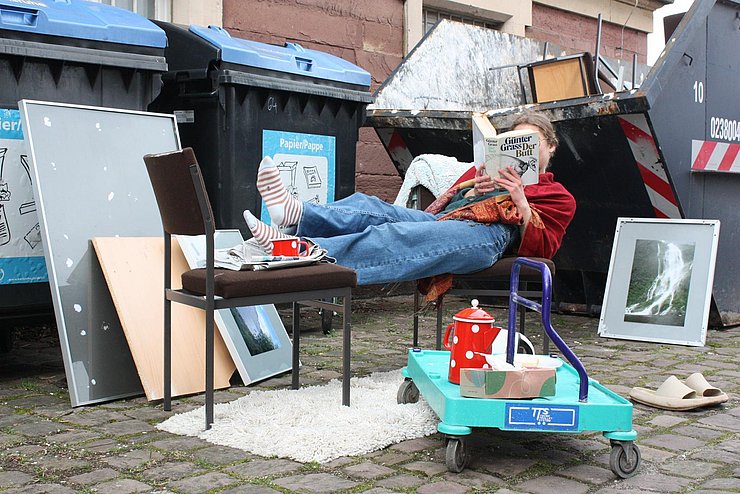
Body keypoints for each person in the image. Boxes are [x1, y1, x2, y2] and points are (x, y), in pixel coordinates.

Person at [243, 112, 576, 291]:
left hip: (490, 238)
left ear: (550, 147)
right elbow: (446, 209)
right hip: (453, 222)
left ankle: (290, 250)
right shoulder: (482, 173)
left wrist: (519, 197)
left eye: (532, 141)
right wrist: (472, 191)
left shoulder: (559, 195)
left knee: (394, 236)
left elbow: (543, 249)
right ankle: (294, 214)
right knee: (373, 208)